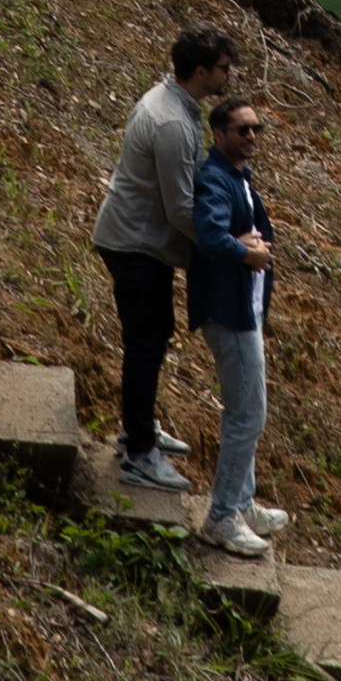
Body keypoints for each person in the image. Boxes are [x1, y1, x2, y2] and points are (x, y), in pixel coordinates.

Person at [93, 24, 234, 489]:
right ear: (201, 71)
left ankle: (140, 428)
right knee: (146, 340)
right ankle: (138, 453)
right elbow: (179, 208)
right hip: (134, 243)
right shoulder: (172, 121)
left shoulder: (175, 104)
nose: (229, 75)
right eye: (223, 68)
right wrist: (223, 248)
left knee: (150, 337)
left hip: (138, 239)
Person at [188, 97, 288, 560]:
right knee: (248, 415)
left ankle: (242, 503)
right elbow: (209, 236)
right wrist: (245, 251)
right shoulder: (214, 179)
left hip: (245, 312)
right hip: (228, 315)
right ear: (219, 134)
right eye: (241, 130)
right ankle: (222, 516)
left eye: (256, 129)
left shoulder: (237, 178)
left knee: (244, 412)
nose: (251, 137)